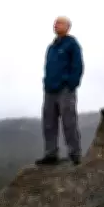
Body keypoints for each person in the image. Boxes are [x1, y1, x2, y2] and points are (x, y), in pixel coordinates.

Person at [36, 16, 84, 166]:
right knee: (48, 123)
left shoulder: (72, 44)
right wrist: (46, 83)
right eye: (55, 23)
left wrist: (71, 84)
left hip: (65, 89)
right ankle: (50, 154)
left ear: (68, 27)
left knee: (69, 121)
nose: (55, 25)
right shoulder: (51, 47)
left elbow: (78, 66)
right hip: (50, 90)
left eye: (59, 23)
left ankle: (75, 154)